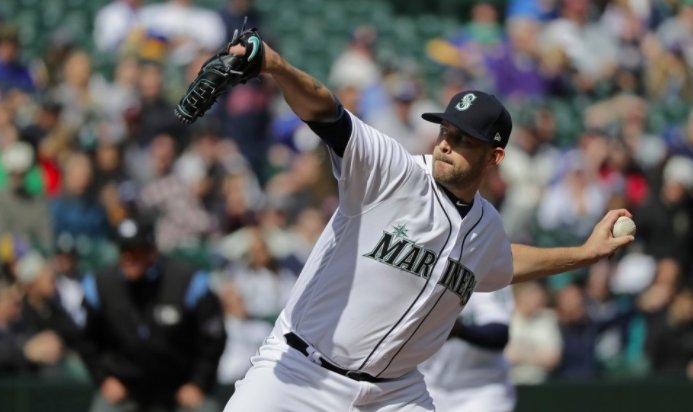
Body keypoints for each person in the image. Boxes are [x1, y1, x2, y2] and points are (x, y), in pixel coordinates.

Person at [221, 39, 634, 411]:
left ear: (494, 157)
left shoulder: (487, 227)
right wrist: (276, 66)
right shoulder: (392, 173)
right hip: (301, 369)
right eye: (446, 131)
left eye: (465, 139)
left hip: (393, 394)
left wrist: (584, 254)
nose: (447, 144)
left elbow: (505, 263)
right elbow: (327, 113)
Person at [80, 216, 226, 412]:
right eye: (124, 250)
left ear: (152, 252)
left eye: (136, 251)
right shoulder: (101, 284)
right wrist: (103, 378)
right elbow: (86, 340)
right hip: (125, 389)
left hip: (180, 389)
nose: (128, 258)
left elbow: (213, 339)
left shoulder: (187, 282)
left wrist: (199, 383)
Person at [419, 287, 515, 412]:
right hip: (428, 385)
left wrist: (459, 330)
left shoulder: (489, 278)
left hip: (481, 391)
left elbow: (499, 334)